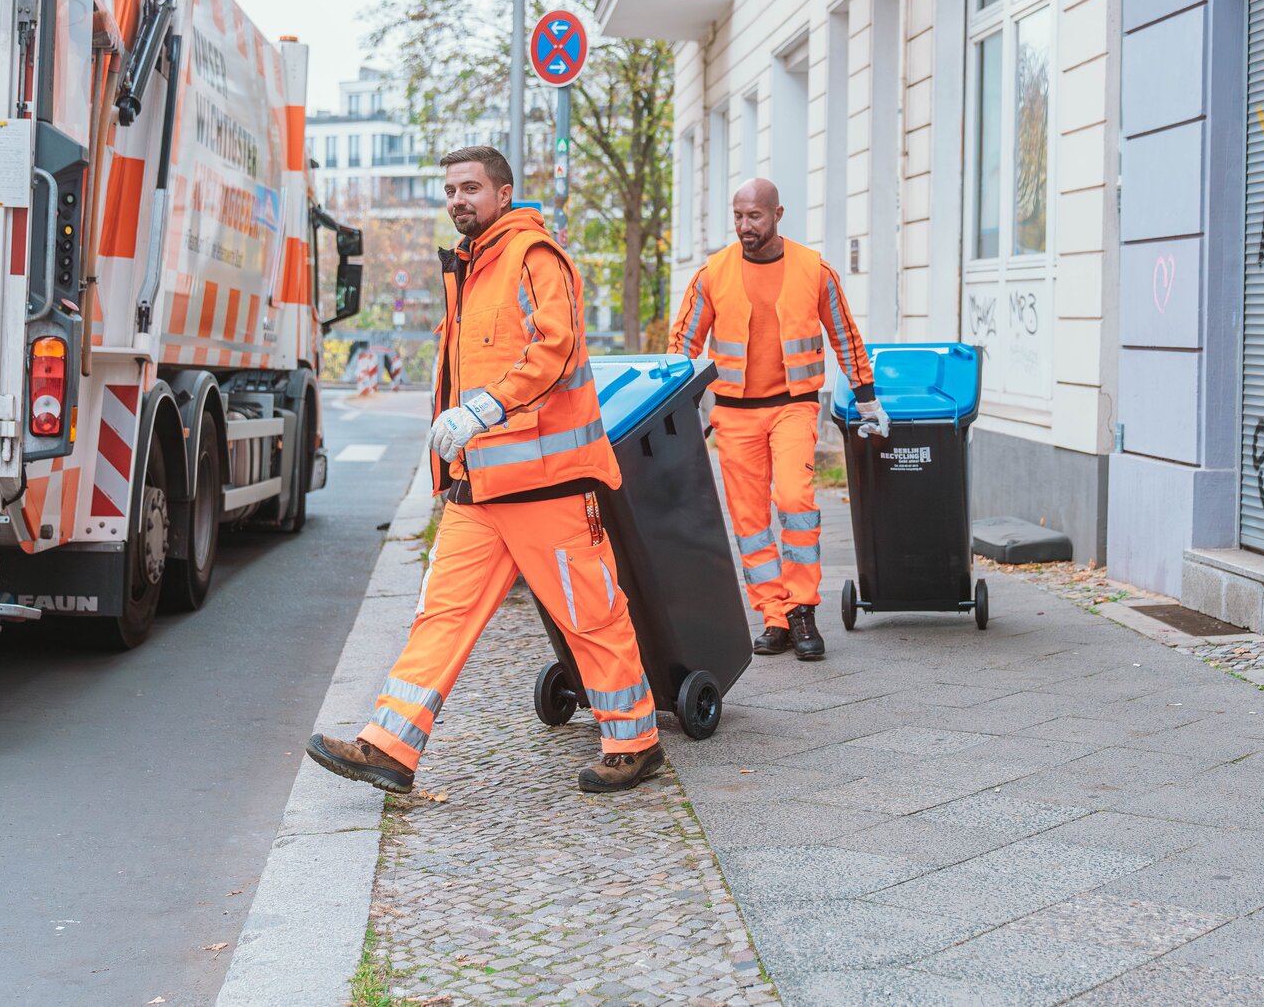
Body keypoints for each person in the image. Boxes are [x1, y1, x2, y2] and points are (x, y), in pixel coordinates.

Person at [308, 146, 664, 795]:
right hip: (483, 487)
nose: (457, 200)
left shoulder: (533, 257)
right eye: (449, 189)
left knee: (591, 614)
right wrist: (453, 462)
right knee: (439, 614)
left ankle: (634, 739)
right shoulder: (470, 268)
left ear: (503, 194)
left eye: (470, 187)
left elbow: (555, 348)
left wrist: (485, 407)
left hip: (547, 483)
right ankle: (389, 745)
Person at [669, 178, 889, 661]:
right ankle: (773, 615)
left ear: (778, 214)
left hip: (793, 406)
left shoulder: (815, 270)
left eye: (755, 217)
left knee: (795, 502)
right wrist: (671, 406)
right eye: (739, 216)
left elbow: (845, 335)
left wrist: (868, 398)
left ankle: (803, 608)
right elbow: (682, 346)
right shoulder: (713, 274)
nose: (745, 226)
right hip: (734, 415)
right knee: (750, 521)